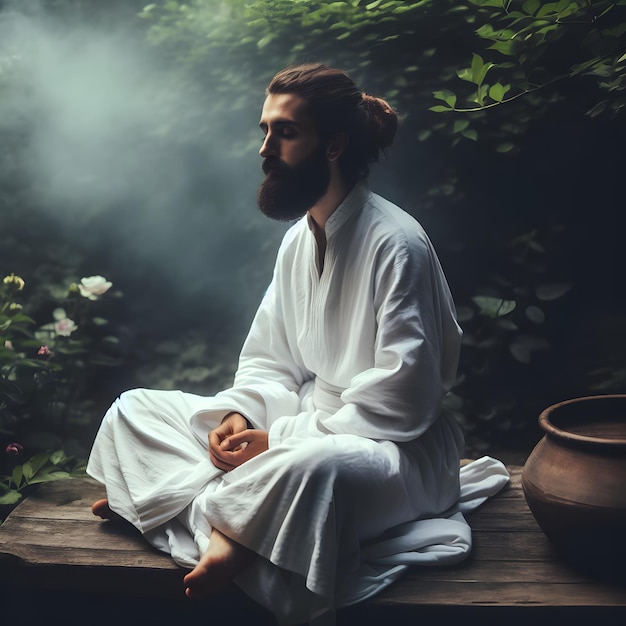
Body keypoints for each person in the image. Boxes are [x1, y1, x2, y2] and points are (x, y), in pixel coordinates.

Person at [87, 63, 509, 625]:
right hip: (305, 424)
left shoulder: (396, 243)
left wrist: (279, 439)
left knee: (310, 469)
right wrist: (241, 415)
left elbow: (406, 398)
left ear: (333, 145)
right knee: (133, 409)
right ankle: (223, 521)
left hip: (390, 449)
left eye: (284, 132)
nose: (266, 148)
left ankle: (192, 521)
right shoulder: (297, 240)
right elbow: (270, 359)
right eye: (265, 130)